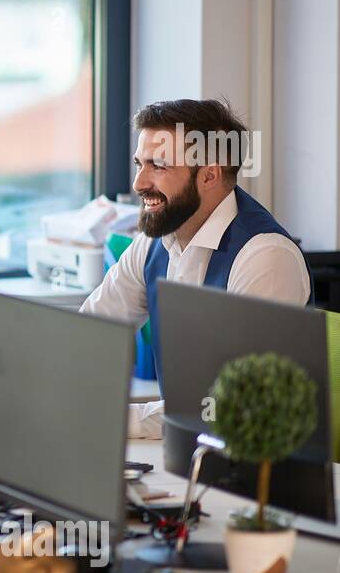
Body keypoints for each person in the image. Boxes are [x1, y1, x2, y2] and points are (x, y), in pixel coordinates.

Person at [80, 98, 312, 438]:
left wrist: (113, 418)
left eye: (157, 166)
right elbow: (88, 336)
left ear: (209, 175)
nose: (138, 183)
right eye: (139, 164)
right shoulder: (153, 242)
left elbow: (234, 405)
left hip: (255, 472)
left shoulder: (266, 258)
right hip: (184, 453)